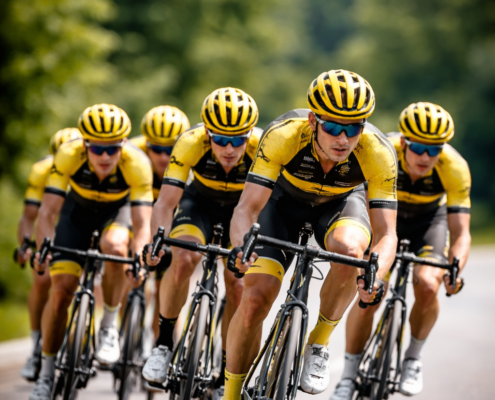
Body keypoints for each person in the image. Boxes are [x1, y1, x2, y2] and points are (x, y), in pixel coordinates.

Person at [225, 69, 399, 399]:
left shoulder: (378, 152)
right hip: (282, 204)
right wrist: (241, 248)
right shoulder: (284, 135)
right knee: (255, 299)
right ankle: (230, 394)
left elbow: (387, 233)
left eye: (353, 128)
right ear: (312, 121)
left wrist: (375, 276)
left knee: (351, 252)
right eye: (332, 127)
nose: (343, 139)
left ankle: (318, 342)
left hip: (340, 204)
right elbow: (246, 208)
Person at [330, 102, 470, 399]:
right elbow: (359, 202)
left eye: (434, 150)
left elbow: (461, 232)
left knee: (428, 284)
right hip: (383, 218)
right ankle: (348, 376)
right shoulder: (383, 151)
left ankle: (413, 360)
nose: (425, 157)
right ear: (404, 142)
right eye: (418, 147)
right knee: (370, 291)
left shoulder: (455, 168)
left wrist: (456, 269)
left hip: (427, 223)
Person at [143, 87, 262, 400]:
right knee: (182, 259)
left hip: (241, 210)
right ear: (207, 133)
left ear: (249, 135)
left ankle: (227, 369)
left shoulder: (261, 147)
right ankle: (163, 344)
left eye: (238, 140)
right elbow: (165, 203)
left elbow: (267, 205)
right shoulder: (190, 142)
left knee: (238, 283)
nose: (229, 148)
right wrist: (158, 242)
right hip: (199, 205)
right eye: (220, 139)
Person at [29, 104, 154, 400]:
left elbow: (142, 223)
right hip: (77, 215)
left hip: (117, 212)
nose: (105, 156)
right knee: (61, 293)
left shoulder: (137, 163)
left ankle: (108, 326)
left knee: (117, 247)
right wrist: (44, 247)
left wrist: (139, 258)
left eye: (113, 148)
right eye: (97, 148)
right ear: (85, 144)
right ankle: (45, 375)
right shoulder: (68, 154)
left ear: (124, 144)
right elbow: (47, 213)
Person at [15, 128, 82, 381]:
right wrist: (25, 245)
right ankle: (36, 347)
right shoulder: (42, 171)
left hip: (79, 225)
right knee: (42, 279)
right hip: (51, 227)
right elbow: (29, 216)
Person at [130, 105, 190, 337]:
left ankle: (162, 343)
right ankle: (124, 336)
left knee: (163, 288)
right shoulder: (133, 154)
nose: (164, 156)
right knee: (131, 271)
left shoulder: (191, 159)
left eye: (170, 149)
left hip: (169, 219)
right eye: (156, 148)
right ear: (146, 144)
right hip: (136, 214)